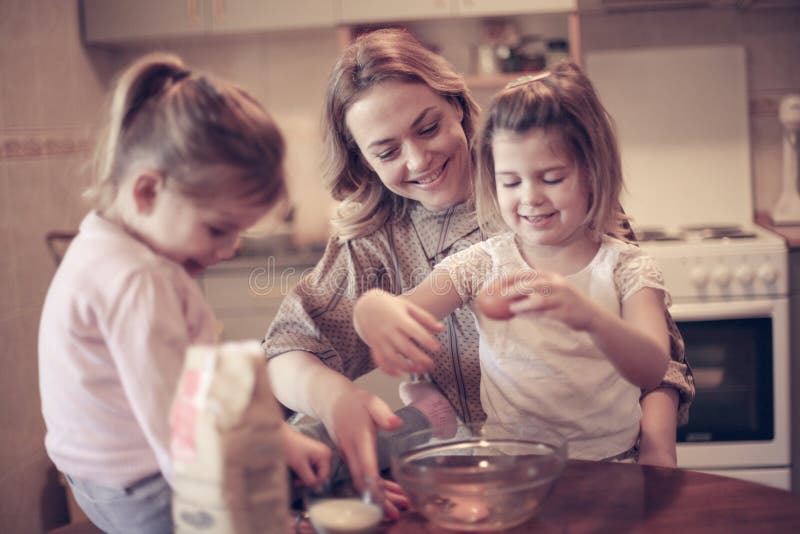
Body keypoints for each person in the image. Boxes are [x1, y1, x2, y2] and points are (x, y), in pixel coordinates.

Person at [264, 28, 693, 493]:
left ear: (460, 107)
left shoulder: (562, 209)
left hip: (609, 461)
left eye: (428, 128)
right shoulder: (374, 240)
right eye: (387, 151)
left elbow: (657, 363)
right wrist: (335, 394)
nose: (418, 158)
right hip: (488, 471)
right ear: (363, 159)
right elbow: (289, 348)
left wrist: (657, 448)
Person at [38, 53, 331, 534]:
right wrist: (249, 518)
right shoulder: (140, 281)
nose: (228, 249)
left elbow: (197, 387)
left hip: (105, 480)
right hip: (146, 487)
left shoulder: (102, 242)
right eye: (218, 228)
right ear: (147, 192)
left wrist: (277, 437)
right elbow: (182, 433)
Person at [353, 62, 675, 461]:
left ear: (594, 172)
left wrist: (590, 318)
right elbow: (407, 309)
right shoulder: (480, 264)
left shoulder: (628, 268)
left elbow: (651, 368)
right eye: (511, 181)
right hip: (512, 465)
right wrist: (373, 308)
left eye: (551, 178)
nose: (529, 197)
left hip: (611, 465)